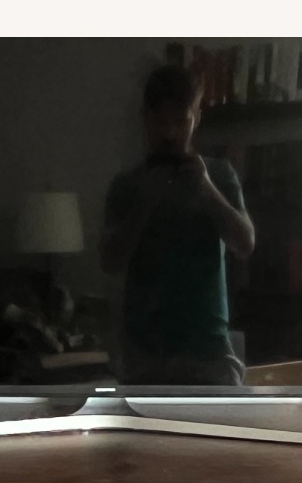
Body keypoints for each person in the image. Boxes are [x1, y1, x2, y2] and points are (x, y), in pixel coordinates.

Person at [100, 64, 255, 385]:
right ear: (145, 119)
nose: (170, 133)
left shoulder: (219, 175)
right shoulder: (125, 186)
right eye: (160, 122)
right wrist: (144, 203)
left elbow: (245, 244)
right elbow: (110, 262)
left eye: (180, 121)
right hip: (145, 356)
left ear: (196, 118)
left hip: (210, 351)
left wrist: (208, 191)